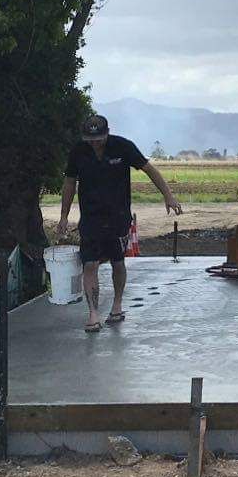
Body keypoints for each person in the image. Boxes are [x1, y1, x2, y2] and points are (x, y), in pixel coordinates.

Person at [56, 114, 182, 331]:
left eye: (99, 138)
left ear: (107, 133)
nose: (95, 143)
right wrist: (64, 216)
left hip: (118, 215)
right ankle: (93, 314)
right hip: (91, 216)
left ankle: (117, 305)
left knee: (117, 262)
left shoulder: (122, 147)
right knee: (90, 264)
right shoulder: (78, 151)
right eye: (90, 139)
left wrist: (168, 195)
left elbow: (150, 170)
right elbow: (69, 183)